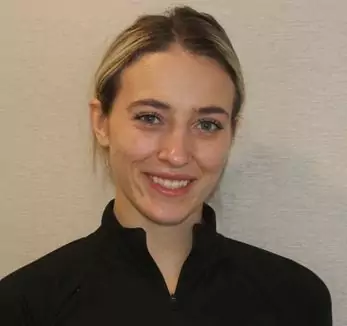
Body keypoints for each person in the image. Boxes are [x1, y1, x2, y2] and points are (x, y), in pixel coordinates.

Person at [0, 5, 332, 326]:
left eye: (207, 124)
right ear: (101, 122)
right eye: (150, 117)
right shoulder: (25, 306)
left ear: (232, 133)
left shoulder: (297, 300)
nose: (176, 154)